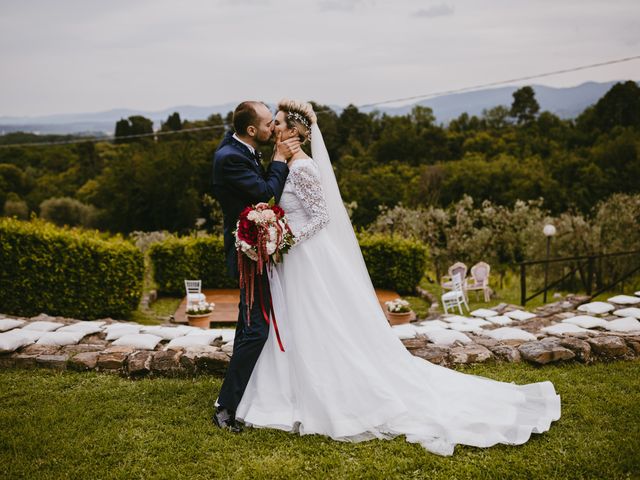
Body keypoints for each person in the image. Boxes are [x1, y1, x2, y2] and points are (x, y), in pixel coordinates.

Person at [234, 99, 561, 456]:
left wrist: (288, 237)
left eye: (279, 123)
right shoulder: (286, 165)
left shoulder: (304, 169)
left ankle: (326, 392)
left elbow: (321, 218)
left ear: (294, 131)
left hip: (304, 256)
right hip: (291, 259)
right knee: (295, 323)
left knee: (317, 322)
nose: (274, 129)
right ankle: (287, 391)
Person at [211, 101, 301, 432]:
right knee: (257, 329)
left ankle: (240, 395)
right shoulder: (231, 157)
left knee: (247, 326)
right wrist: (279, 159)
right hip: (248, 253)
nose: (272, 130)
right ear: (251, 130)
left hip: (254, 249)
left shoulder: (239, 147)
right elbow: (265, 192)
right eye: (267, 125)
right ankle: (225, 406)